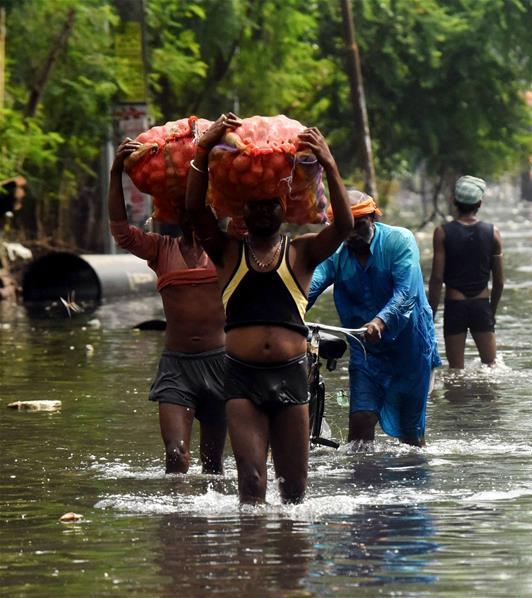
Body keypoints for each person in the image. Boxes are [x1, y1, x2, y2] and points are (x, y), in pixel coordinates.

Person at [186, 113, 353, 504]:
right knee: (251, 484)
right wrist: (203, 148)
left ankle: (287, 544)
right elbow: (195, 211)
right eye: (255, 206)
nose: (263, 212)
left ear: (284, 209)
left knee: (294, 491)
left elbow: (344, 226)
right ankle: (252, 543)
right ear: (242, 213)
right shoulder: (227, 252)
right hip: (241, 378)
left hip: (291, 375)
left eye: (270, 206)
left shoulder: (302, 252)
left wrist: (329, 164)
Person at [108, 138, 227, 475]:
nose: (192, 216)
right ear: (177, 214)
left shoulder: (226, 249)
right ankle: (176, 510)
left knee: (213, 465)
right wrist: (116, 172)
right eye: (185, 210)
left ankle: (210, 510)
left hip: (220, 364)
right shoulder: (162, 249)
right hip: (177, 367)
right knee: (176, 456)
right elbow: (121, 232)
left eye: (198, 209)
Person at [308, 191, 441, 447]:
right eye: (345, 228)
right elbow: (311, 285)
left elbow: (406, 292)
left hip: (410, 349)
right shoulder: (335, 253)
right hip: (366, 350)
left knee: (411, 437)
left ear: (372, 218)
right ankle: (360, 473)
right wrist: (288, 312)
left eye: (358, 225)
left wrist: (380, 321)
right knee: (360, 424)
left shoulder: (399, 241)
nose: (352, 234)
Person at [427, 176, 504, 368]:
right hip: (481, 305)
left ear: (455, 202)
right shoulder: (493, 233)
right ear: (479, 203)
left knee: (456, 370)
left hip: (455, 306)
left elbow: (437, 279)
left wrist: (429, 316)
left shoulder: (442, 233)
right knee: (491, 366)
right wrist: (492, 312)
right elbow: (499, 282)